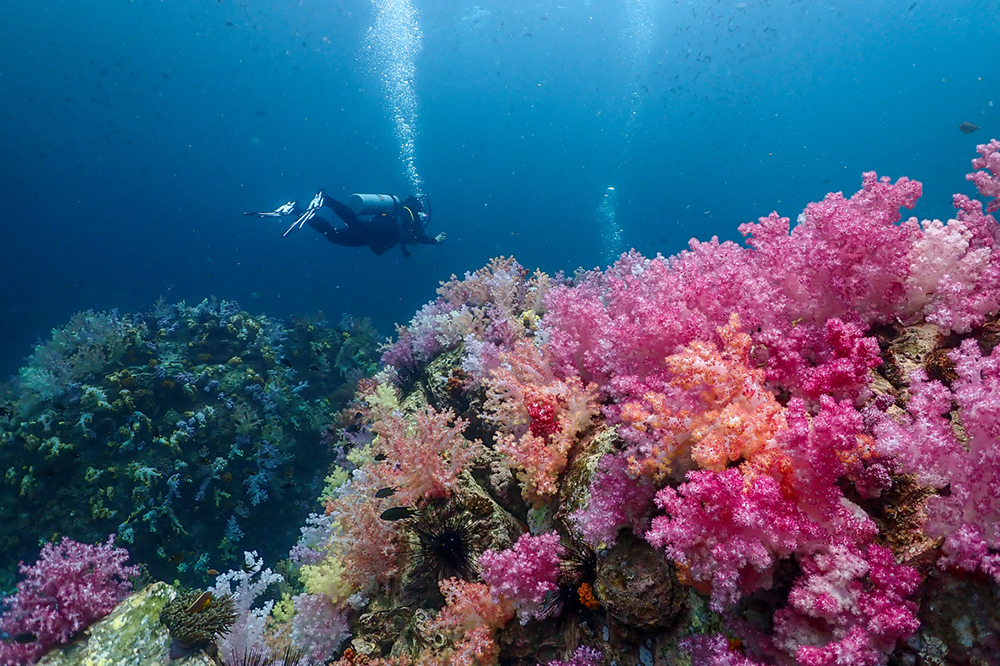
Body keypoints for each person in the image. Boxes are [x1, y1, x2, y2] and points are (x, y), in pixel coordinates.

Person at [245, 189, 445, 258]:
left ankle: (296, 210)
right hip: (382, 228)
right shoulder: (412, 216)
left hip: (377, 229)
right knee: (356, 227)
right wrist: (434, 241)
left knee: (333, 236)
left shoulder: (403, 211)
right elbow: (418, 236)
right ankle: (327, 200)